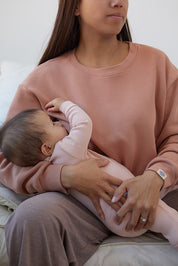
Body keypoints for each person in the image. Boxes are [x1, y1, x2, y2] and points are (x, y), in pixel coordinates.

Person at [0, 0, 178, 265]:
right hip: (81, 205)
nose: (117, 2)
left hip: (158, 192)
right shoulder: (42, 80)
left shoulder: (156, 63)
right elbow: (8, 160)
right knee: (31, 218)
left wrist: (156, 177)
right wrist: (65, 175)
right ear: (74, 7)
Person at [0, 97, 178, 249]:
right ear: (46, 148)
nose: (59, 123)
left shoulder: (49, 162)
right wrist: (65, 105)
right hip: (126, 201)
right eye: (53, 124)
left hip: (116, 220)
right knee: (167, 219)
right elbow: (83, 123)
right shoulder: (68, 149)